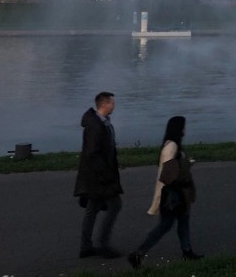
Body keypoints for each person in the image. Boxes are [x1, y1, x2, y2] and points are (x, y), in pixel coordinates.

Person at [128, 116, 202, 268]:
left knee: (183, 222)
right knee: (164, 226)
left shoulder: (173, 145)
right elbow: (169, 174)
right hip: (174, 195)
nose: (185, 129)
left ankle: (187, 251)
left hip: (180, 193)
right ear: (178, 129)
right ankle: (138, 254)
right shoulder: (172, 147)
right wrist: (185, 171)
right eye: (183, 126)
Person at [73, 91, 123, 259]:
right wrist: (106, 174)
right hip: (100, 178)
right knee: (115, 205)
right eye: (112, 103)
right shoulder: (96, 126)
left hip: (97, 177)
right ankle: (103, 244)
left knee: (92, 209)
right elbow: (92, 154)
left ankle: (85, 246)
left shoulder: (102, 122)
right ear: (104, 104)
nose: (114, 105)